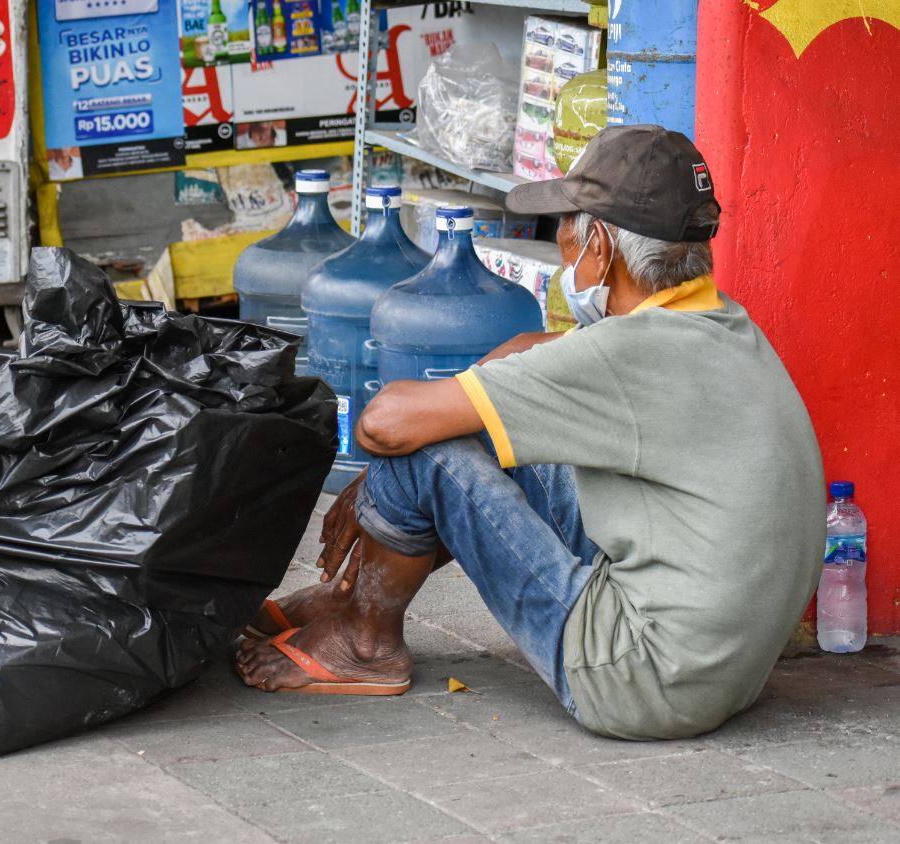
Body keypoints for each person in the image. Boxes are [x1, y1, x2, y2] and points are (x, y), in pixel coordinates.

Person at [236, 125, 826, 740]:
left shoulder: (623, 358)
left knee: (426, 450)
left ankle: (362, 643)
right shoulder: (719, 326)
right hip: (723, 672)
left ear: (599, 245)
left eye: (565, 231)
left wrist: (389, 478)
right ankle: (350, 598)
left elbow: (385, 424)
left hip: (638, 680)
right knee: (484, 424)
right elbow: (524, 351)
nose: (562, 248)